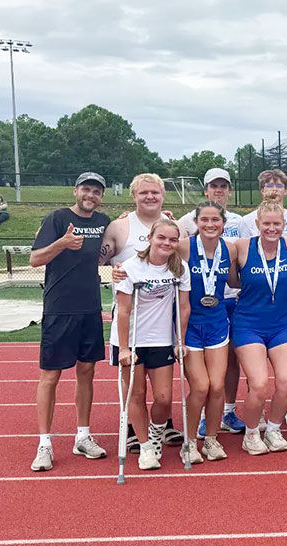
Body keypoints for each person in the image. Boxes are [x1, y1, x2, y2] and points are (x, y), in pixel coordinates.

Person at [28, 172, 112, 471]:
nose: (91, 195)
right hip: (59, 309)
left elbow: (115, 248)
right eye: (87, 189)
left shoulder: (104, 222)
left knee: (87, 372)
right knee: (50, 376)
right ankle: (45, 443)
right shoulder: (58, 217)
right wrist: (62, 243)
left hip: (90, 309)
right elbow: (35, 260)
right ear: (76, 190)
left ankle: (83, 436)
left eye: (97, 191)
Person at [101, 173, 183, 451]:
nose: (150, 197)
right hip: (130, 317)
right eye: (143, 192)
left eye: (155, 192)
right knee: (135, 389)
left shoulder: (175, 224)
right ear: (133, 196)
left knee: (163, 392)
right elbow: (98, 259)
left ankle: (161, 427)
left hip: (161, 319)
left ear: (163, 195)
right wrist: (109, 272)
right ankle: (136, 430)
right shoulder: (119, 225)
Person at [112, 219, 191, 470]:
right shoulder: (130, 268)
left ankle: (156, 435)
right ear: (150, 238)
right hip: (130, 339)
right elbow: (123, 311)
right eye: (162, 238)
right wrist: (124, 348)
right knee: (136, 394)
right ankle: (146, 447)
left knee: (164, 397)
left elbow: (184, 307)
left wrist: (180, 341)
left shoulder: (179, 268)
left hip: (160, 339)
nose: (167, 243)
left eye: (172, 239)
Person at [176, 168, 248, 436]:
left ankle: (226, 411)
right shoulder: (186, 224)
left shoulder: (239, 222)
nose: (219, 190)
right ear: (206, 190)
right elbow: (160, 242)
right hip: (194, 308)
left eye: (224, 186)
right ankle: (198, 424)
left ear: (229, 190)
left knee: (230, 362)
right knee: (202, 378)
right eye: (214, 186)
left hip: (228, 302)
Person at [232, 193, 287, 455]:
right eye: (266, 224)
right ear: (257, 224)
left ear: (284, 225)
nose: (271, 229)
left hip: (282, 322)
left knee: (285, 383)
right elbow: (231, 281)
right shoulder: (241, 247)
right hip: (249, 323)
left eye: (277, 224)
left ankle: (273, 428)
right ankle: (250, 434)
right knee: (258, 384)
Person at [177, 202, 239, 462]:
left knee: (216, 387)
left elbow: (235, 280)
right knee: (200, 386)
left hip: (217, 323)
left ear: (223, 223)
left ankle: (211, 440)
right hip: (190, 324)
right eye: (205, 220)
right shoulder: (183, 246)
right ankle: (189, 442)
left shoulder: (231, 249)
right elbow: (151, 256)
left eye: (216, 220)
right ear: (196, 222)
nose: (211, 225)